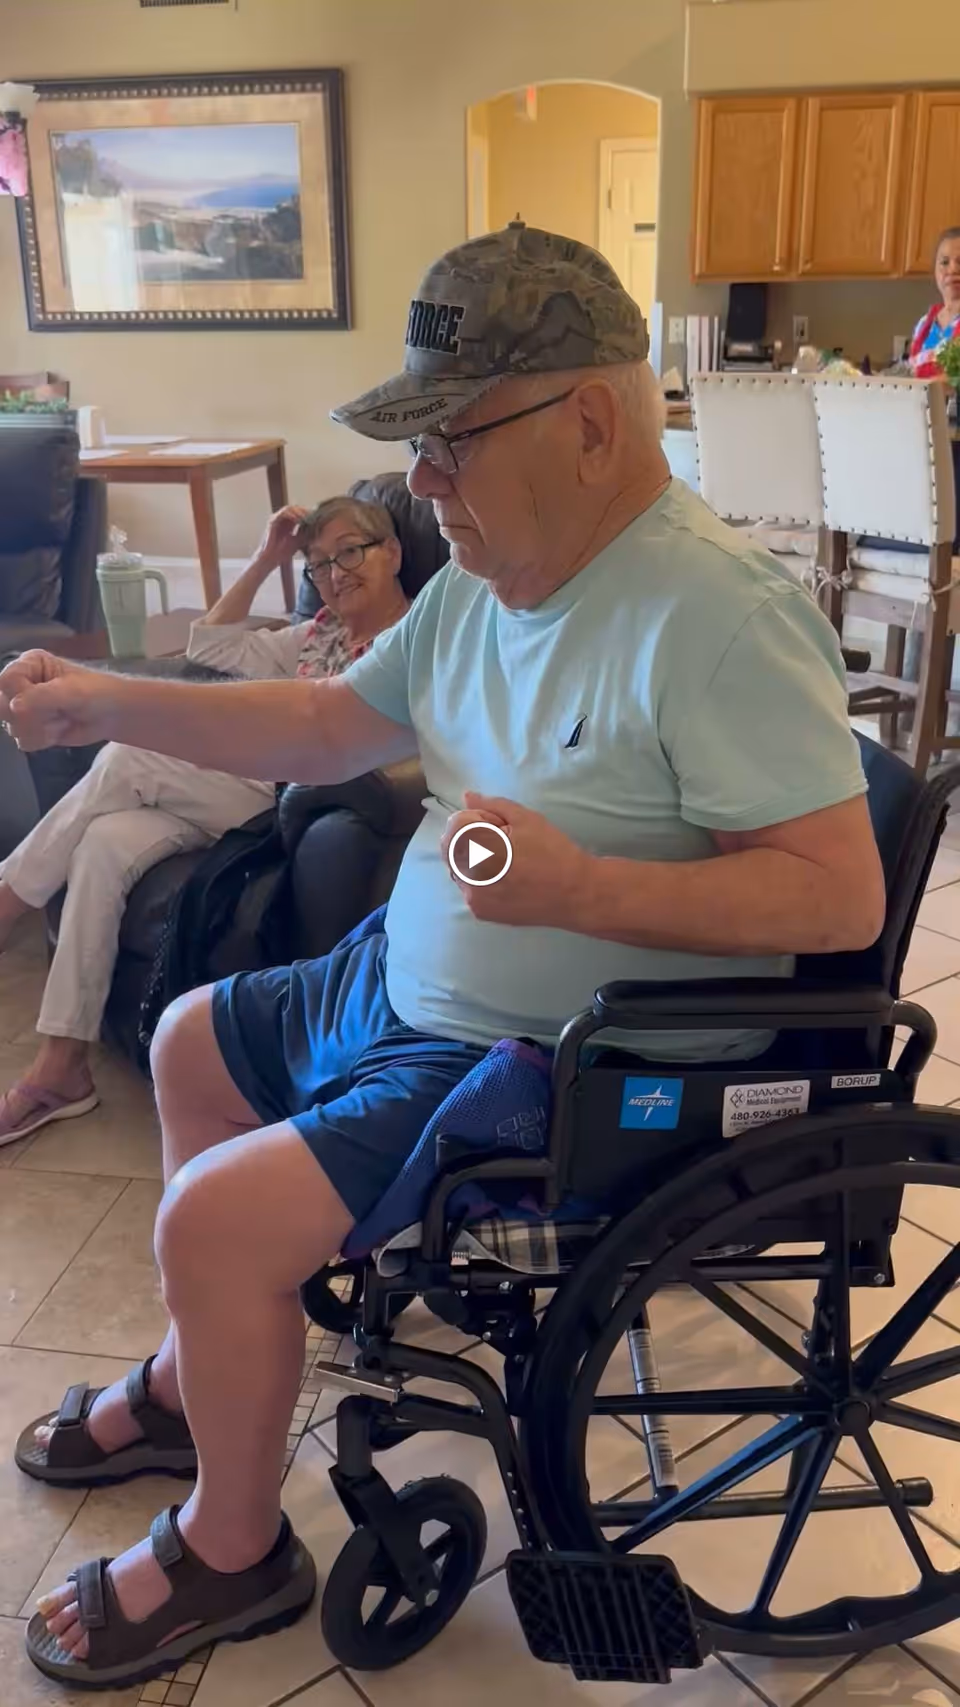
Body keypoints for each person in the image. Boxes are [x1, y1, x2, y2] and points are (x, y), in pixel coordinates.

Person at [1, 223, 884, 1690]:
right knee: (185, 1040)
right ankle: (193, 1370)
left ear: (590, 423)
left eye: (449, 442)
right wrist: (112, 699)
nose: (419, 485)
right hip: (409, 978)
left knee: (211, 1224)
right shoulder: (487, 582)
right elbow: (326, 724)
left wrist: (584, 883)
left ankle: (233, 1545)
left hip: (549, 1057)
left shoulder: (720, 616)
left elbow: (837, 894)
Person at [0, 495, 407, 1146]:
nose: (334, 572)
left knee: (128, 753)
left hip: (287, 805)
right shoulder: (315, 634)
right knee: (102, 843)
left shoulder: (411, 644)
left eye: (351, 552)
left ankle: (8, 898)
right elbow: (208, 643)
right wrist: (265, 558)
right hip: (221, 793)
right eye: (319, 562)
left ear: (392, 552)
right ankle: (62, 1065)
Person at [909, 226, 960, 378]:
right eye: (944, 262)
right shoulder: (924, 324)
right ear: (935, 271)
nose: (952, 270)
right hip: (923, 402)